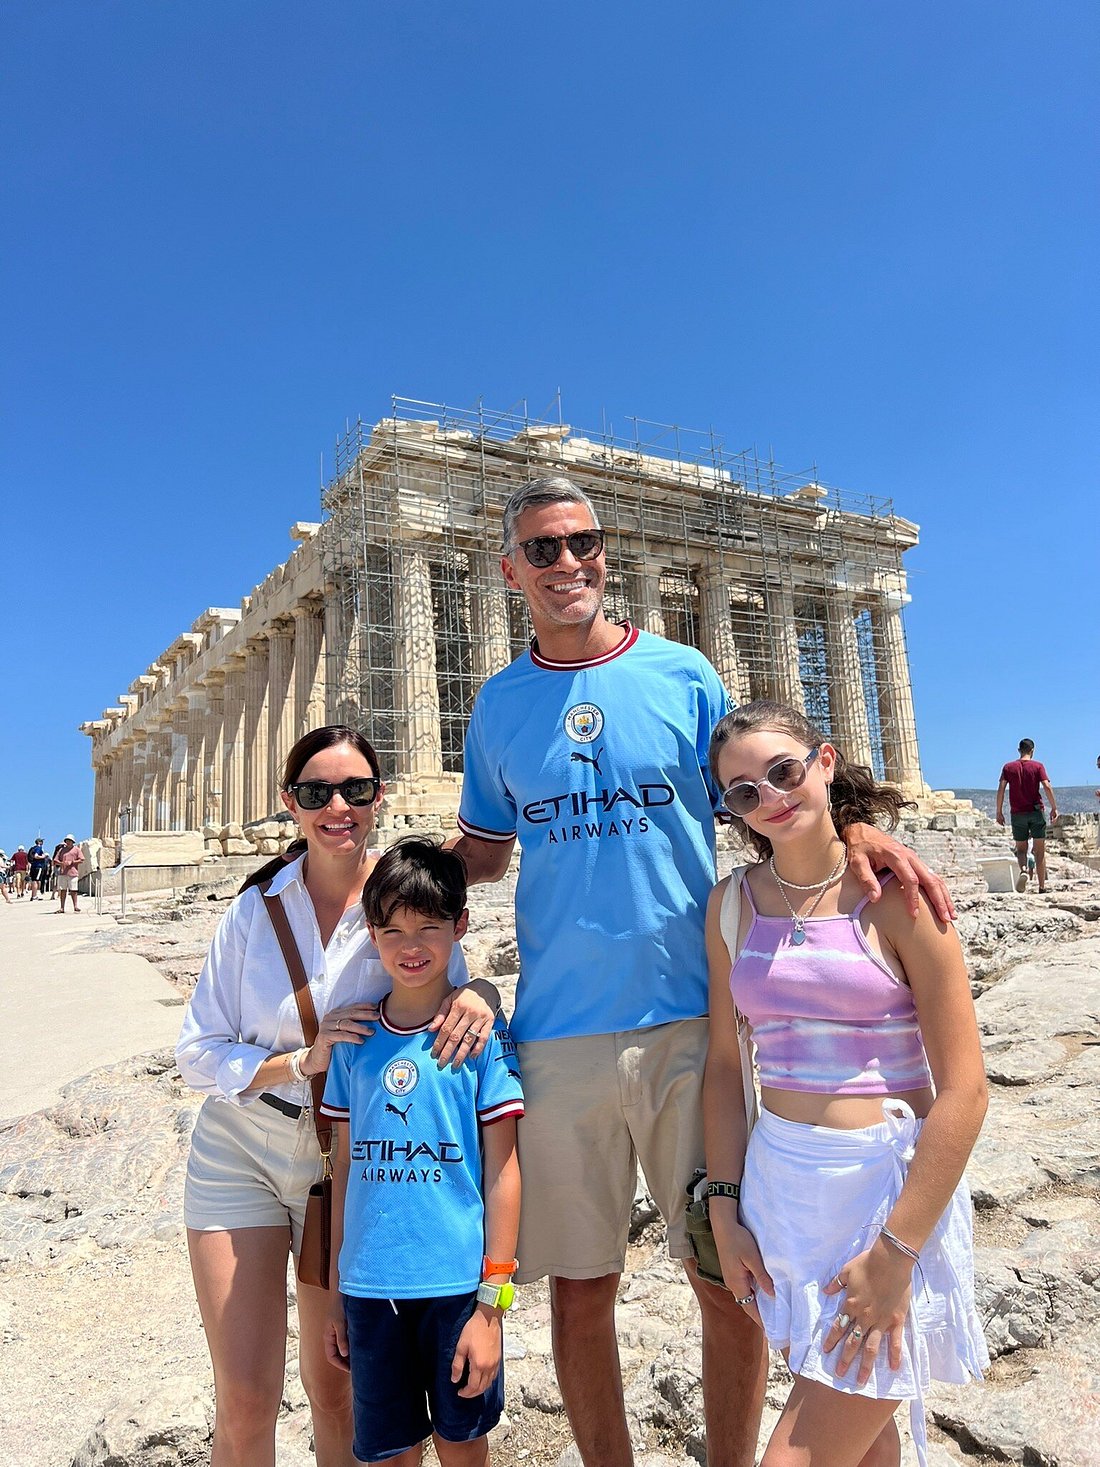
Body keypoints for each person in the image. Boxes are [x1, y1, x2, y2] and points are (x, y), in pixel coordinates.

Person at [448, 475, 957, 1467]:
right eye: (542, 550)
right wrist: (420, 938)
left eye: (581, 542)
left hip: (693, 1021)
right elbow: (479, 854)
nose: (566, 564)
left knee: (727, 1275)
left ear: (604, 550)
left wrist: (856, 831)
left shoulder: (682, 674)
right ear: (509, 571)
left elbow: (767, 782)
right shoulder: (498, 706)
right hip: (556, 1032)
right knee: (580, 1289)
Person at [175, 726, 502, 1467]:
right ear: (291, 802)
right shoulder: (253, 911)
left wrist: (482, 989)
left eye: (355, 789)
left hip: (348, 1163)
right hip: (242, 1149)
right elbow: (196, 1052)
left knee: (337, 1389)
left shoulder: (403, 893)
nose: (337, 806)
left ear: (378, 796)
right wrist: (301, 1059)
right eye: (317, 791)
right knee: (248, 1397)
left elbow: (455, 976)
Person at [703, 699, 988, 1467]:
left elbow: (967, 1089)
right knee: (865, 1447)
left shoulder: (897, 897)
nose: (771, 796)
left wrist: (898, 1250)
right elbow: (728, 1069)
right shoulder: (729, 905)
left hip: (885, 1200)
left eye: (784, 771)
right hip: (785, 1198)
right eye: (743, 791)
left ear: (824, 762)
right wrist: (725, 1212)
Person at [321, 839, 523, 1466]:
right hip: (368, 1284)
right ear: (372, 934)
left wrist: (494, 1305)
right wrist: (333, 1294)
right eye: (393, 930)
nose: (411, 946)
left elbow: (504, 1170)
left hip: (459, 1286)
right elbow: (345, 1172)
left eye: (429, 927)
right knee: (388, 1449)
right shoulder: (353, 1040)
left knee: (462, 1443)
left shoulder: (480, 1040)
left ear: (460, 926)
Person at [995, 739, 1058, 893]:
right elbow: (1047, 786)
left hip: (1017, 813)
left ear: (1019, 750)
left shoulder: (1008, 767)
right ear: (1033, 750)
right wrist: (1054, 807)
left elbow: (1001, 789)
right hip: (1036, 812)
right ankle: (1042, 886)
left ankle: (1023, 870)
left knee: (1021, 849)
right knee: (1039, 851)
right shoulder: (1038, 766)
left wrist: (999, 811)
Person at [53, 835, 84, 912]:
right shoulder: (61, 850)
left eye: (69, 840)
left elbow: (82, 859)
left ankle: (75, 906)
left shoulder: (77, 849)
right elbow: (55, 860)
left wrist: (72, 862)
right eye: (67, 840)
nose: (68, 842)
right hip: (63, 873)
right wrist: (62, 863)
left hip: (73, 872)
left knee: (73, 890)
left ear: (73, 842)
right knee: (63, 890)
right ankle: (62, 907)